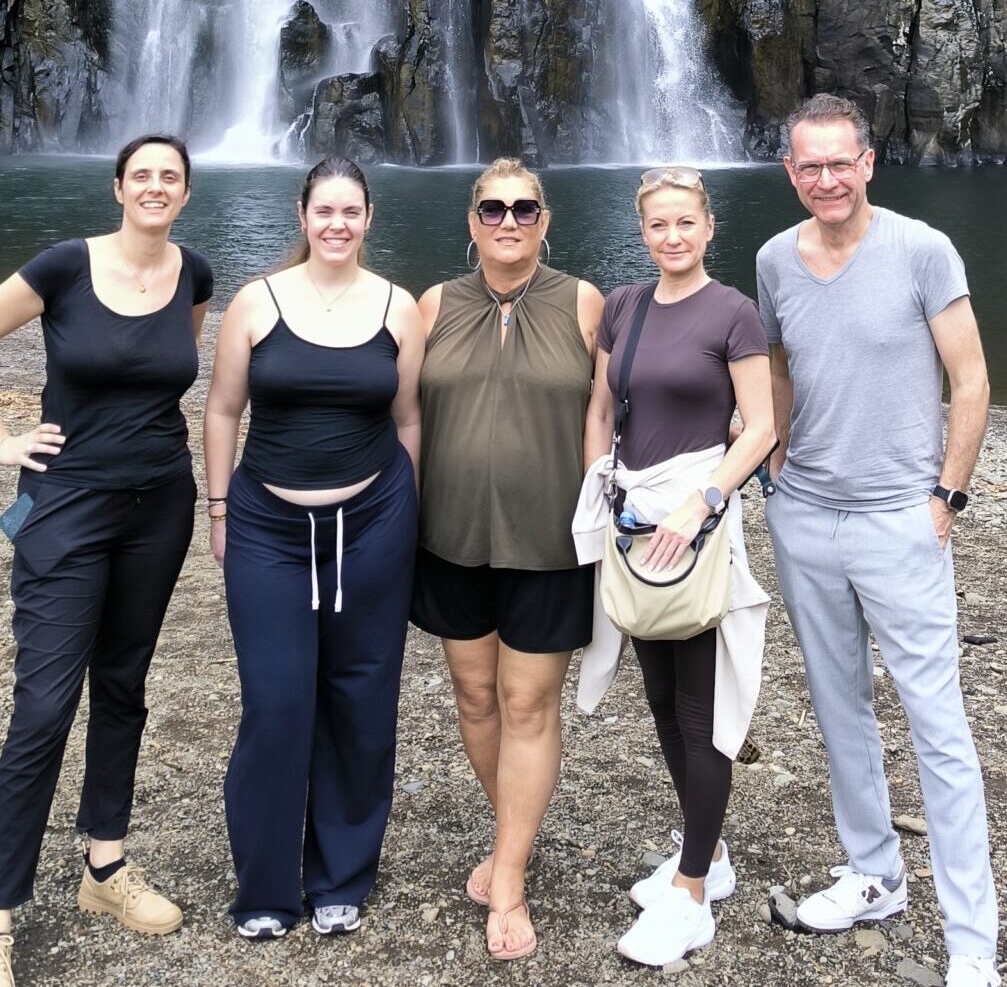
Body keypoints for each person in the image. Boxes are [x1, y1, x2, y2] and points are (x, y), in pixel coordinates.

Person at [757, 93, 999, 987]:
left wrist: (946, 497)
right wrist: (775, 460)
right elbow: (778, 362)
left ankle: (971, 942)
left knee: (938, 728)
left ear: (866, 163)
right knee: (838, 711)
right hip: (805, 516)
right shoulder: (772, 259)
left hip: (901, 517)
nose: (825, 178)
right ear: (789, 172)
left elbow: (969, 380)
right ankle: (874, 876)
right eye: (808, 165)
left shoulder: (921, 249)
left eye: (839, 162)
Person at [0, 134, 212, 987]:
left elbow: (168, 379)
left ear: (185, 193)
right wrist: (4, 442)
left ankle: (105, 867)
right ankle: (1, 905)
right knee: (45, 704)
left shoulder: (195, 275)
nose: (156, 187)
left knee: (123, 683)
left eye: (171, 177)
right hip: (64, 508)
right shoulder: (63, 267)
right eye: (142, 175)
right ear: (118, 188)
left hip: (159, 506)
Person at [203, 156, 423, 942]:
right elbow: (222, 410)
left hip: (374, 523)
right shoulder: (256, 302)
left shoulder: (398, 307)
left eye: (350, 211)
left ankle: (341, 876)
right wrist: (219, 508)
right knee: (276, 701)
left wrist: (408, 514)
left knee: (361, 698)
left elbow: (407, 420)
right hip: (267, 526)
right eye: (324, 211)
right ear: (302, 216)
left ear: (368, 218)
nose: (337, 224)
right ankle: (266, 886)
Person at [579, 165, 776, 970]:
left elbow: (760, 426)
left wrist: (703, 501)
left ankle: (691, 894)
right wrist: (599, 488)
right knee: (658, 697)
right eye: (657, 224)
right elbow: (601, 409)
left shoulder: (732, 313)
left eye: (684, 222)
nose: (671, 236)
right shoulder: (622, 306)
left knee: (700, 707)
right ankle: (709, 852)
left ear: (708, 226)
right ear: (642, 231)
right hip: (633, 520)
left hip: (694, 523)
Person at [412, 157, 603, 962]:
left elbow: (616, 409)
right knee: (474, 695)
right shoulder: (432, 305)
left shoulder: (583, 302)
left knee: (526, 704)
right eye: (492, 209)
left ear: (544, 221)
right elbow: (397, 415)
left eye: (524, 208)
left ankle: (512, 877)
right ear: (472, 222)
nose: (508, 221)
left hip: (548, 542)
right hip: (448, 536)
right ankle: (510, 833)